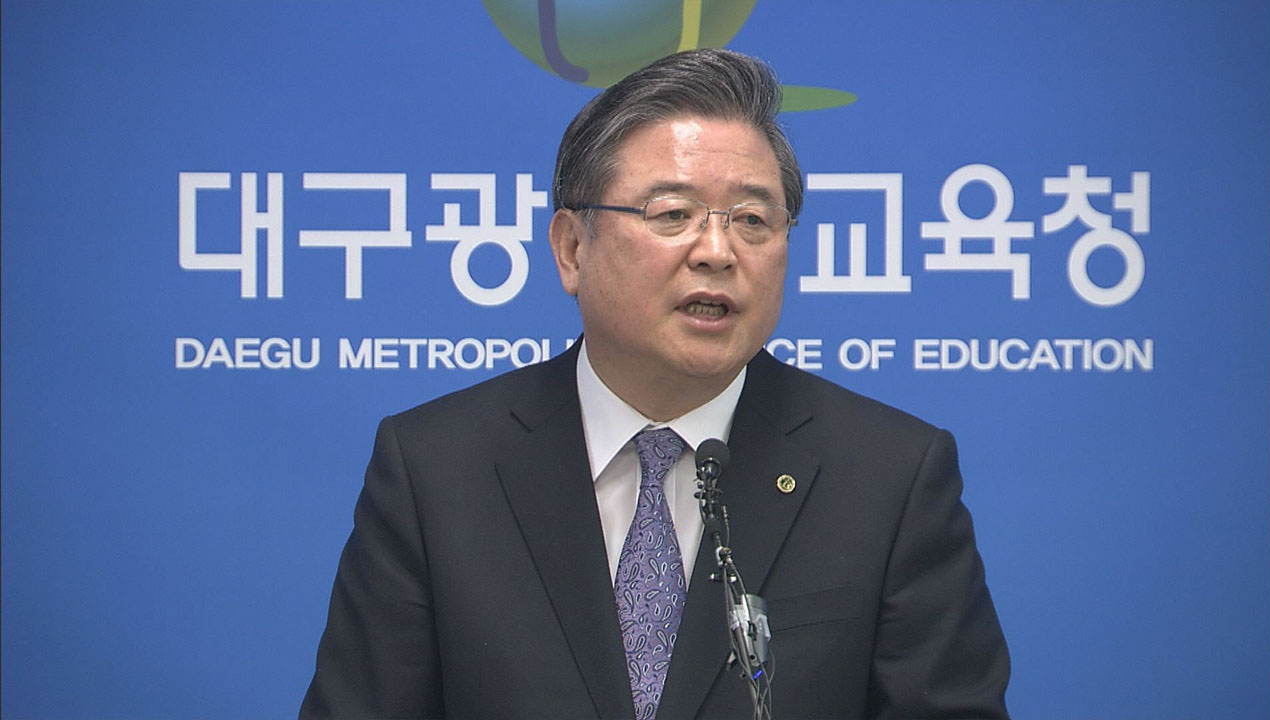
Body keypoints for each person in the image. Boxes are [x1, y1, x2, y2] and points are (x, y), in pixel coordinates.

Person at [301, 48, 1010, 719]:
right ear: (572, 248)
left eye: (753, 220)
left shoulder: (889, 476)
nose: (718, 251)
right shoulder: (436, 468)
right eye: (673, 214)